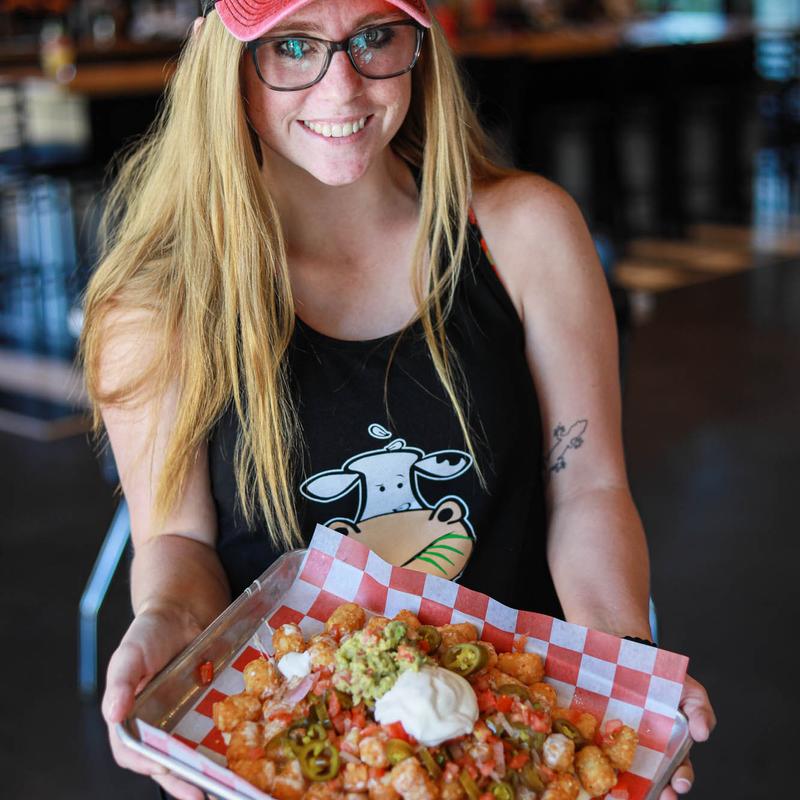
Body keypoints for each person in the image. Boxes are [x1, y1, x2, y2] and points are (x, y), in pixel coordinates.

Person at [80, 1, 716, 798]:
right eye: (292, 45)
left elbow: (587, 488)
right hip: (292, 755)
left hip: (515, 744)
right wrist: (163, 625)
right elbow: (178, 540)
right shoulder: (157, 304)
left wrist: (622, 668)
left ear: (421, 45)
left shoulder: (526, 235)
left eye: (375, 36)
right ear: (224, 57)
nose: (341, 87)